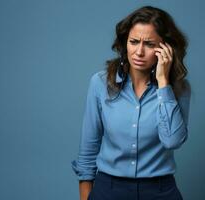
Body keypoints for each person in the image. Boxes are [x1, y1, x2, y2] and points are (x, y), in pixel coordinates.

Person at [71, 5, 191, 200]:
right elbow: (88, 150)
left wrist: (163, 84)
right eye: (134, 42)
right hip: (108, 190)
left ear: (165, 48)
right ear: (124, 43)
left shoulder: (178, 89)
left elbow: (172, 140)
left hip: (160, 191)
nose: (139, 52)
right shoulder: (101, 84)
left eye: (150, 44)